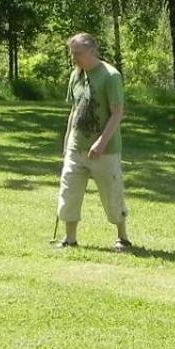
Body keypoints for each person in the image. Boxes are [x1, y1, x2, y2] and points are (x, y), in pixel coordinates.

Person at [56, 33, 131, 250]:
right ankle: (70, 239)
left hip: (105, 151)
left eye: (77, 53)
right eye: (72, 53)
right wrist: (67, 140)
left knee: (112, 194)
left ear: (92, 51)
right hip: (76, 147)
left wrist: (100, 142)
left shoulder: (111, 76)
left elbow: (117, 113)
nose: (74, 58)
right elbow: (74, 110)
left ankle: (122, 237)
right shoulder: (76, 75)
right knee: (69, 191)